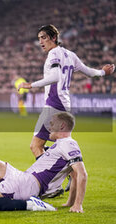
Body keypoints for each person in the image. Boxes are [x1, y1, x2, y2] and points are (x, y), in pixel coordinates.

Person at [17, 24, 115, 159]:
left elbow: (55, 77)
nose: (40, 42)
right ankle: (72, 172)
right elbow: (90, 72)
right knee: (60, 147)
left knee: (36, 145)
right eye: (39, 38)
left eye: (44, 38)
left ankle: (49, 179)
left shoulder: (53, 53)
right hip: (65, 105)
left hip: (54, 104)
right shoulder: (71, 55)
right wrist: (103, 72)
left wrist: (31, 85)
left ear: (54, 37)